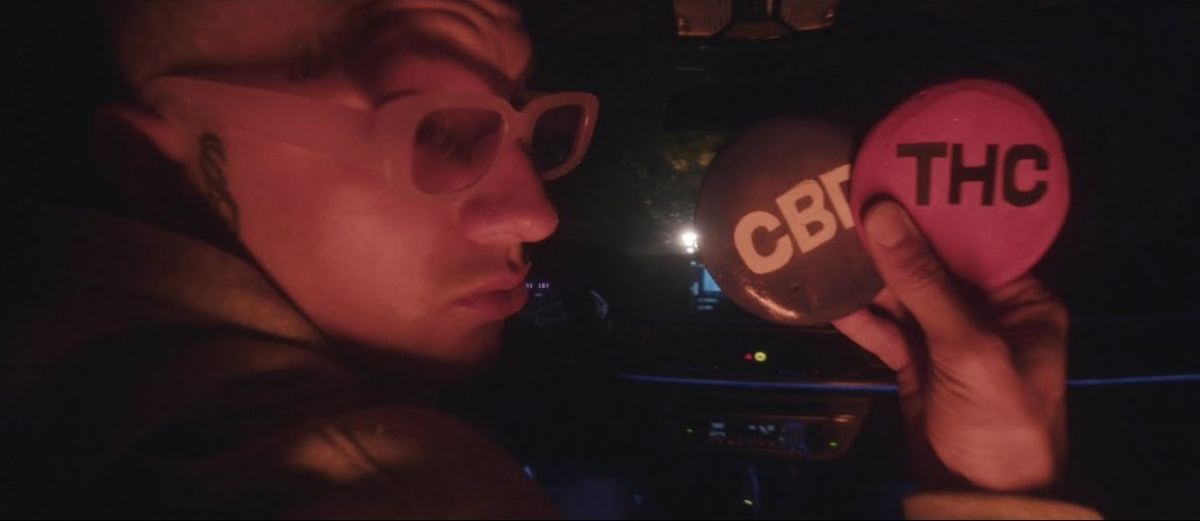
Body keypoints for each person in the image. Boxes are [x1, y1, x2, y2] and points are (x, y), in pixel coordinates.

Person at [0, 0, 1098, 518]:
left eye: (528, 129)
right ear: (159, 174)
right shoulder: (390, 488)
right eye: (439, 130)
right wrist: (998, 491)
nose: (533, 214)